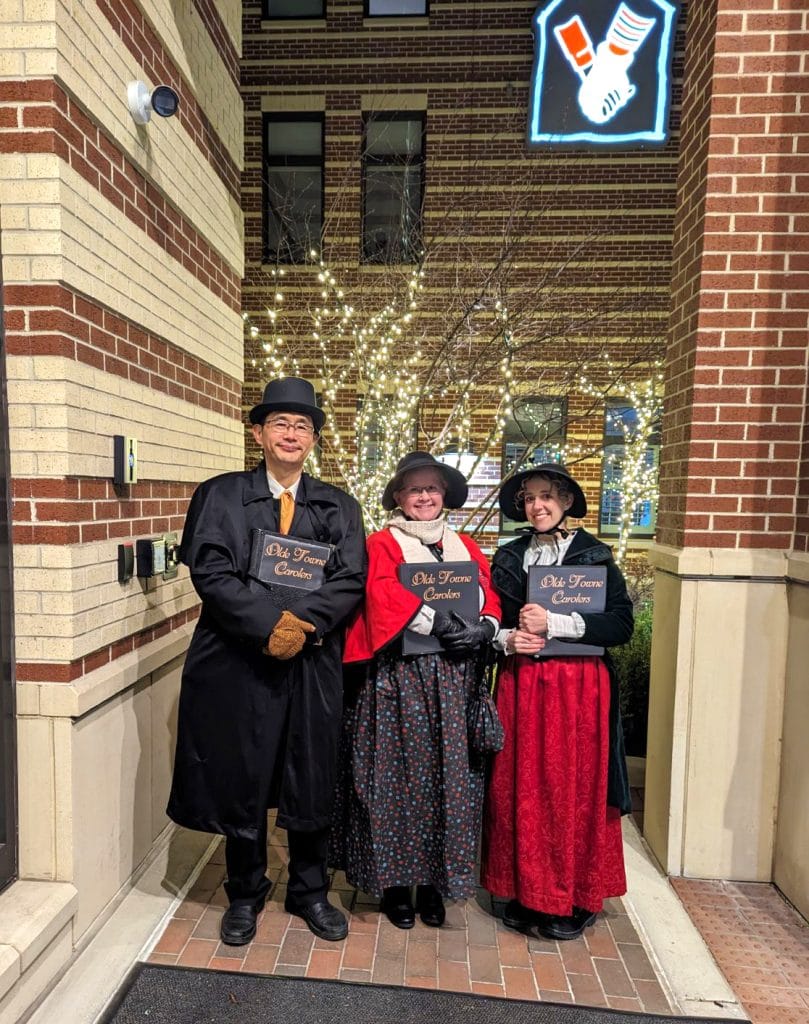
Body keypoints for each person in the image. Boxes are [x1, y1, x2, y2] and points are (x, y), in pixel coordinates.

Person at [167, 377, 367, 945]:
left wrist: (302, 624)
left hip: (311, 661)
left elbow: (351, 577)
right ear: (258, 432)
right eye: (280, 422)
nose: (291, 433)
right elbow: (210, 571)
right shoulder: (221, 495)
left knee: (311, 773)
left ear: (314, 439)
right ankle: (245, 891)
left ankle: (309, 892)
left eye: (303, 425)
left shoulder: (338, 505)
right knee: (243, 772)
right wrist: (266, 625)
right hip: (238, 660)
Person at [330, 452, 501, 929]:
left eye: (432, 489)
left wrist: (485, 626)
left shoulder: (465, 543)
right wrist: (439, 621)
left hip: (455, 681)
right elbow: (382, 593)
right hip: (399, 680)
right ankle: (396, 886)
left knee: (450, 782)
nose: (424, 497)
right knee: (395, 781)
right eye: (413, 489)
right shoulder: (382, 543)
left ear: (444, 495)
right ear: (399, 497)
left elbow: (488, 591)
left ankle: (432, 884)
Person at [480, 463, 633, 941]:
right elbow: (492, 620)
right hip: (523, 684)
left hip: (578, 690)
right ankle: (526, 891)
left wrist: (558, 623)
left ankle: (573, 895)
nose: (537, 506)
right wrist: (507, 640)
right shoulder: (509, 557)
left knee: (573, 788)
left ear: (566, 501)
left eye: (546, 496)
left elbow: (621, 626)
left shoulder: (595, 556)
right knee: (520, 784)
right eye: (529, 498)